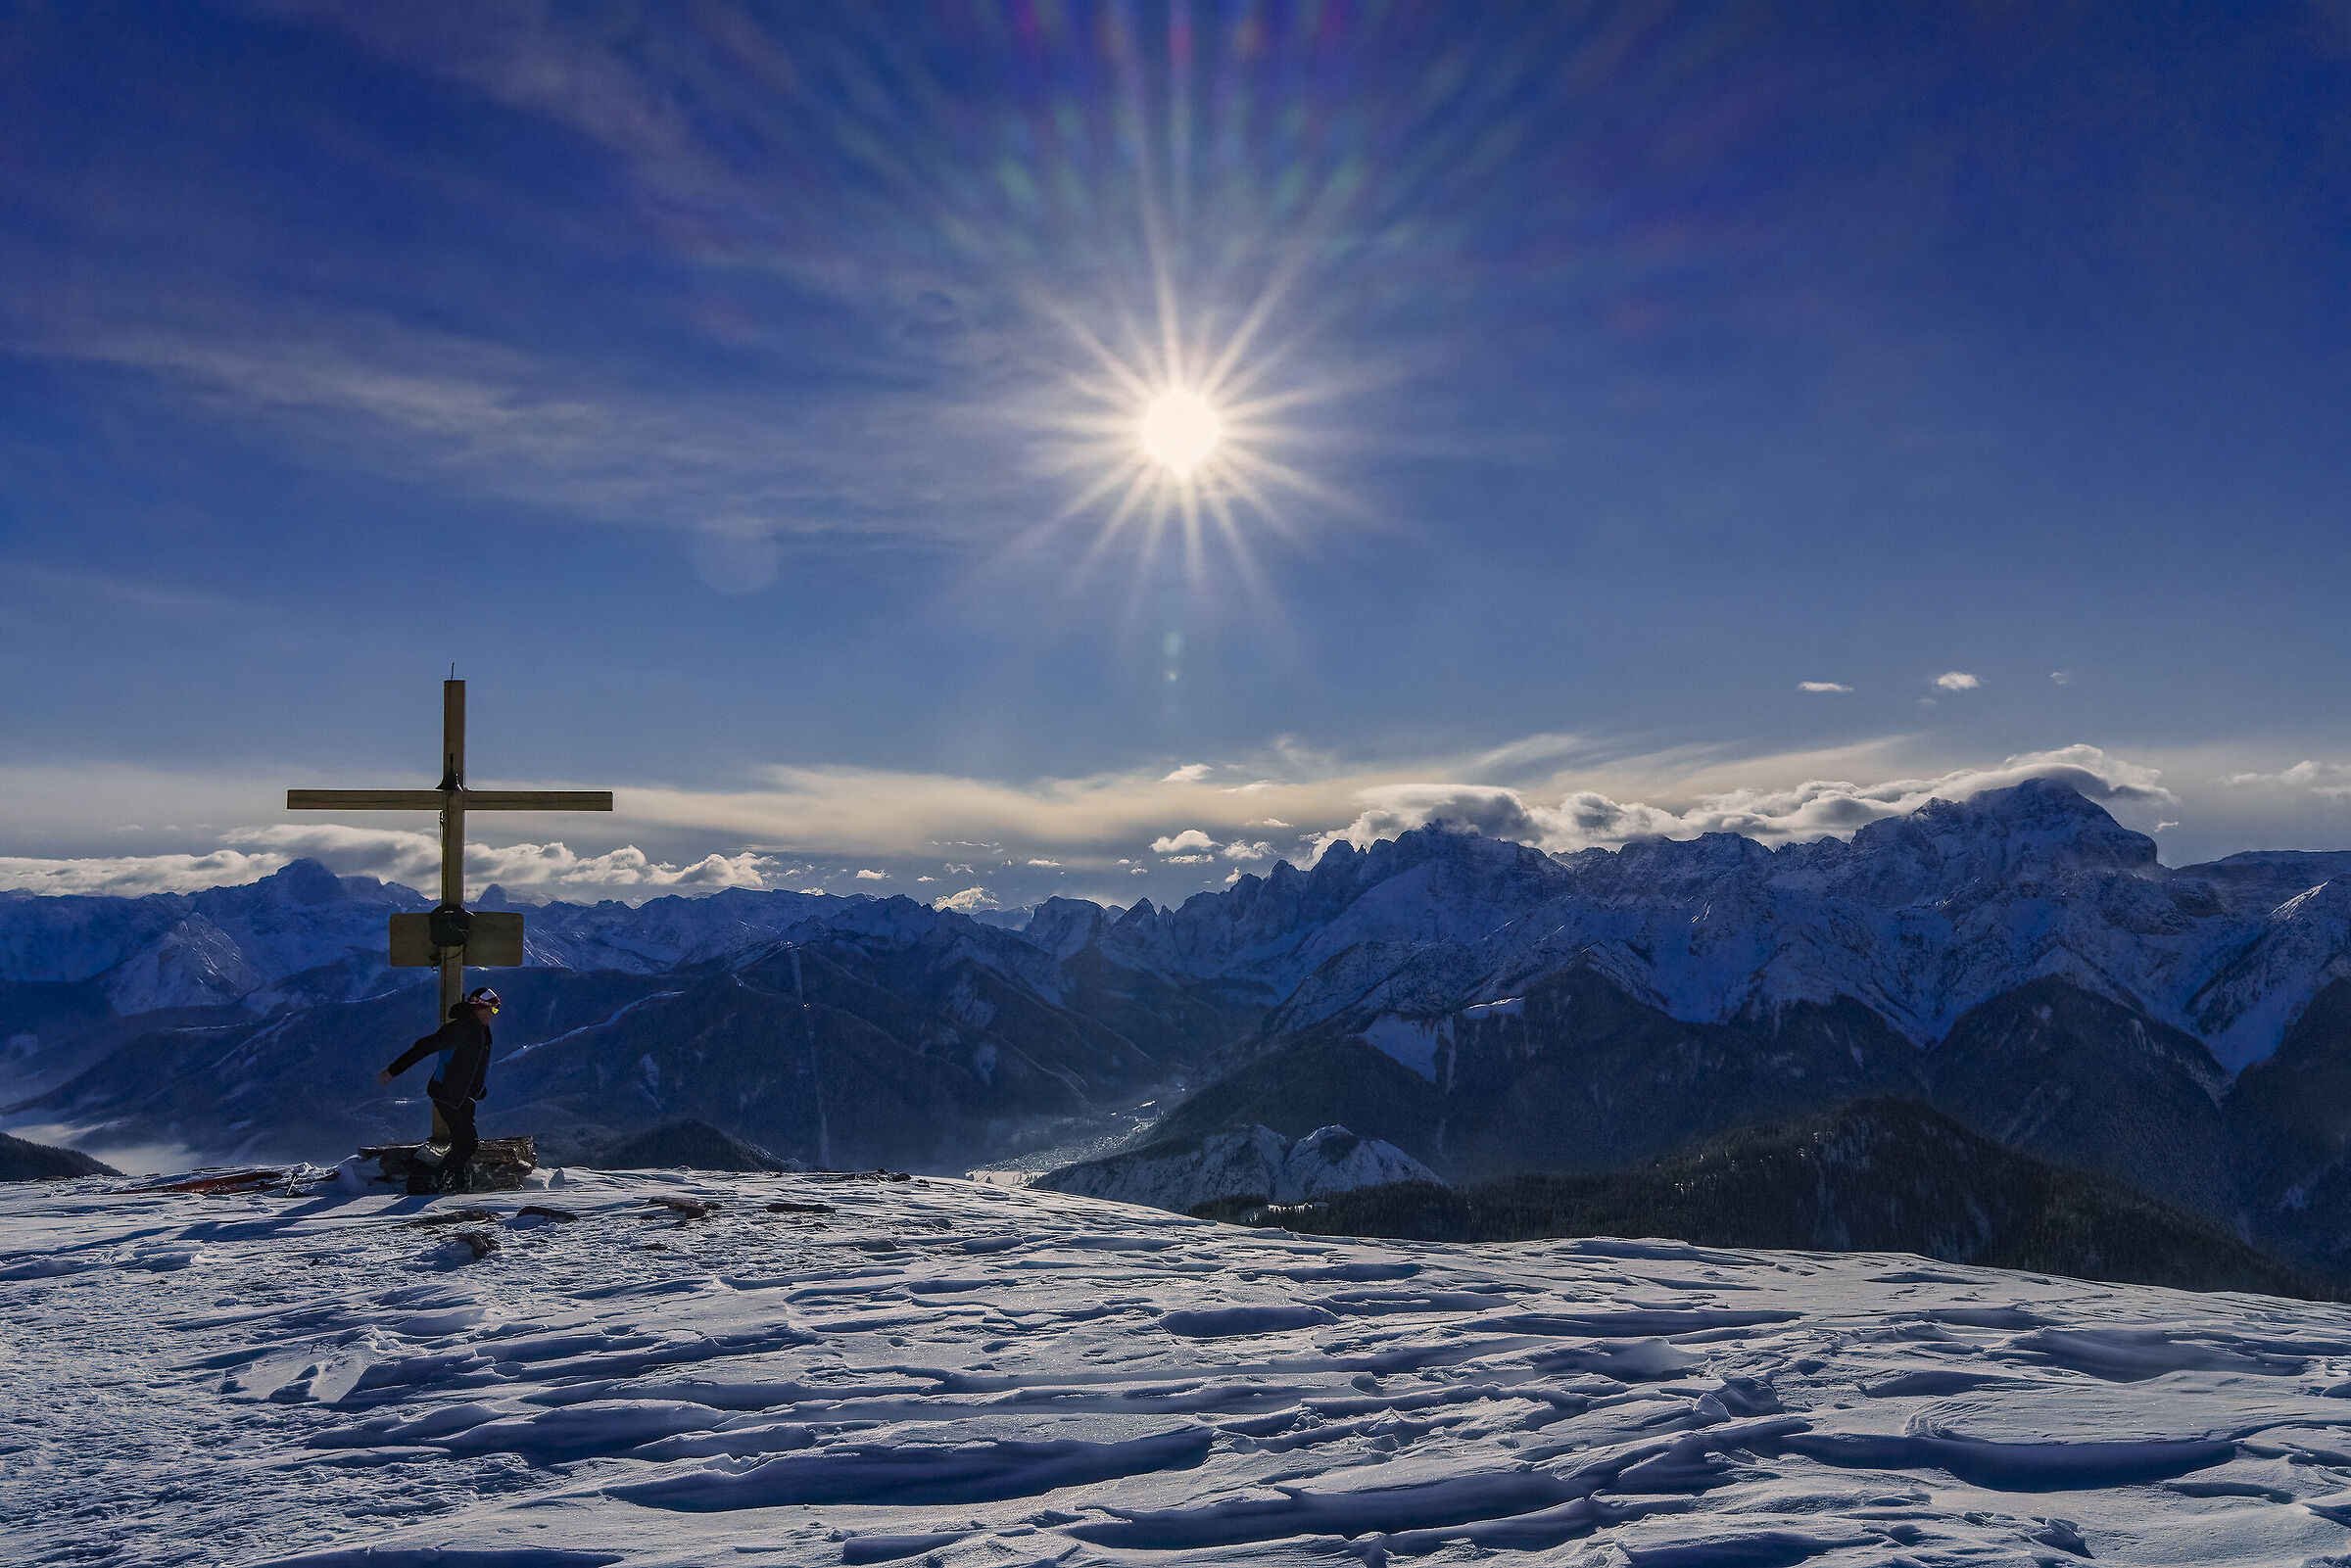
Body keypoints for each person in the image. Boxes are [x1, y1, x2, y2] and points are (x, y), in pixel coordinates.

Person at [379, 987, 500, 1193]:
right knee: (467, 1144)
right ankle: (440, 1182)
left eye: (496, 1010)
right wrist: (393, 1070)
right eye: (492, 1009)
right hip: (448, 1095)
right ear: (478, 1007)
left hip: (462, 1096)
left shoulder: (480, 1030)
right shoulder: (460, 1028)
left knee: (465, 1143)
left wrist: (478, 1090)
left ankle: (455, 1184)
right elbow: (425, 1046)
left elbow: (474, 1065)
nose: (493, 1014)